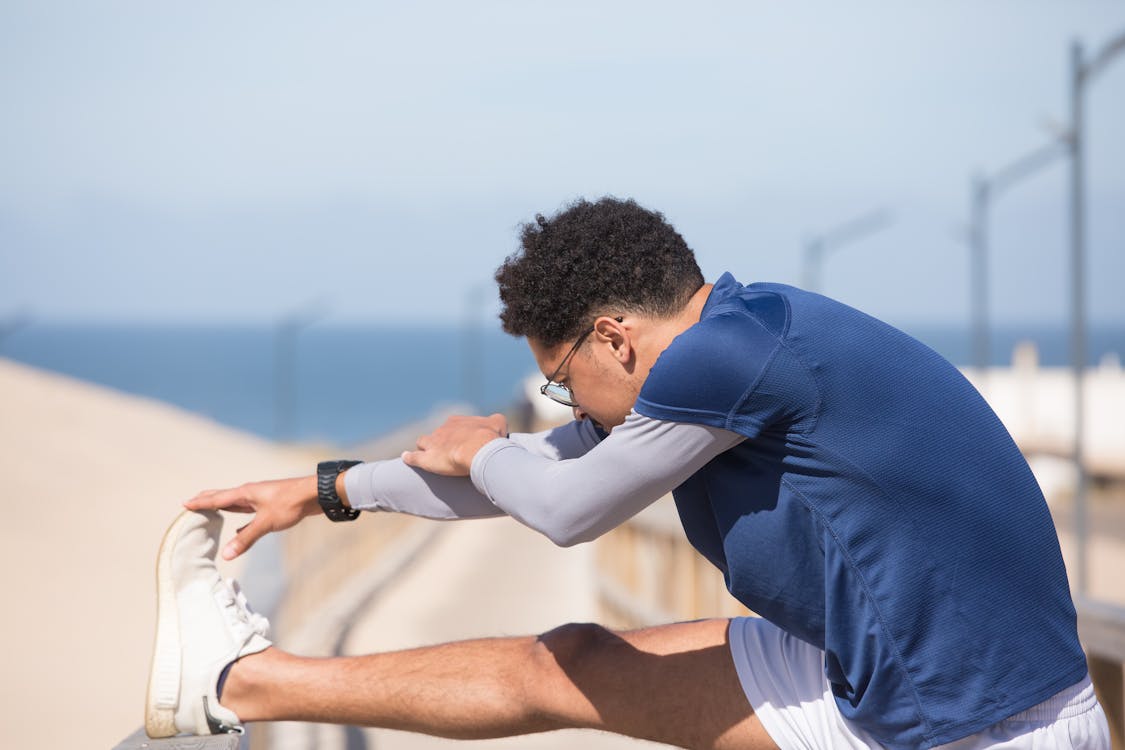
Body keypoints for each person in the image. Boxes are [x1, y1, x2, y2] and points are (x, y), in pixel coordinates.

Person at [145, 197, 1109, 749]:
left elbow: (563, 508)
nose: (564, 408)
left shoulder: (729, 360)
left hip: (978, 720)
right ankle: (243, 683)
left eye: (560, 383)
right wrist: (325, 491)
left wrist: (483, 445)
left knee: (561, 668)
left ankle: (244, 682)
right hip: (888, 665)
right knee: (564, 660)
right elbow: (526, 476)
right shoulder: (732, 341)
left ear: (614, 337)